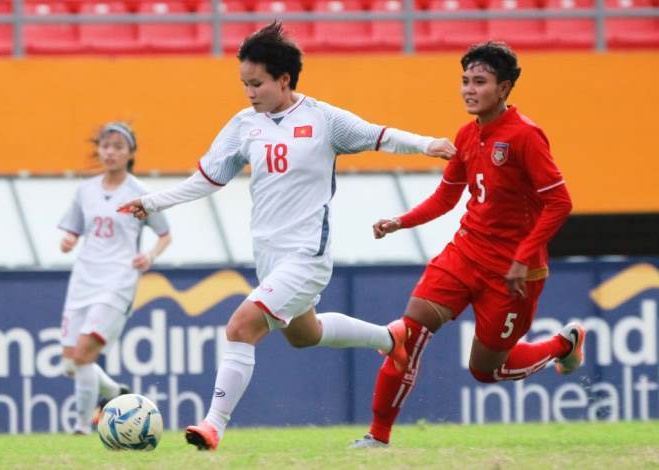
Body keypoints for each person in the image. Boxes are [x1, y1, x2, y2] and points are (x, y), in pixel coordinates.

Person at [117, 21, 456, 450]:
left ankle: (213, 425)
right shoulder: (243, 125)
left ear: (284, 79)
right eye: (244, 84)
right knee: (304, 334)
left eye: (256, 83)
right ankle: (391, 338)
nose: (249, 93)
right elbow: (207, 179)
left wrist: (427, 144)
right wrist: (152, 202)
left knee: (241, 327)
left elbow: (378, 136)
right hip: (270, 256)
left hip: (307, 256)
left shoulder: (323, 119)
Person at [350, 41, 582, 449]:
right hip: (465, 253)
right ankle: (377, 437)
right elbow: (446, 197)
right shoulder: (466, 134)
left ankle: (564, 344)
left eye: (480, 81)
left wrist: (523, 256)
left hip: (513, 273)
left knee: (486, 371)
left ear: (505, 88)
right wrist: (399, 221)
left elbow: (560, 202)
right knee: (407, 332)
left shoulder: (526, 136)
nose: (469, 89)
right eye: (464, 81)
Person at [58, 122, 172, 435]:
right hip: (83, 279)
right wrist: (67, 241)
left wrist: (149, 256)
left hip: (117, 282)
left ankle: (82, 427)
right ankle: (115, 394)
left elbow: (164, 234)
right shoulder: (86, 191)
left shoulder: (140, 193)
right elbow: (72, 230)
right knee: (71, 364)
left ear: (131, 153)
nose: (110, 152)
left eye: (118, 146)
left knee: (83, 355)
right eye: (106, 145)